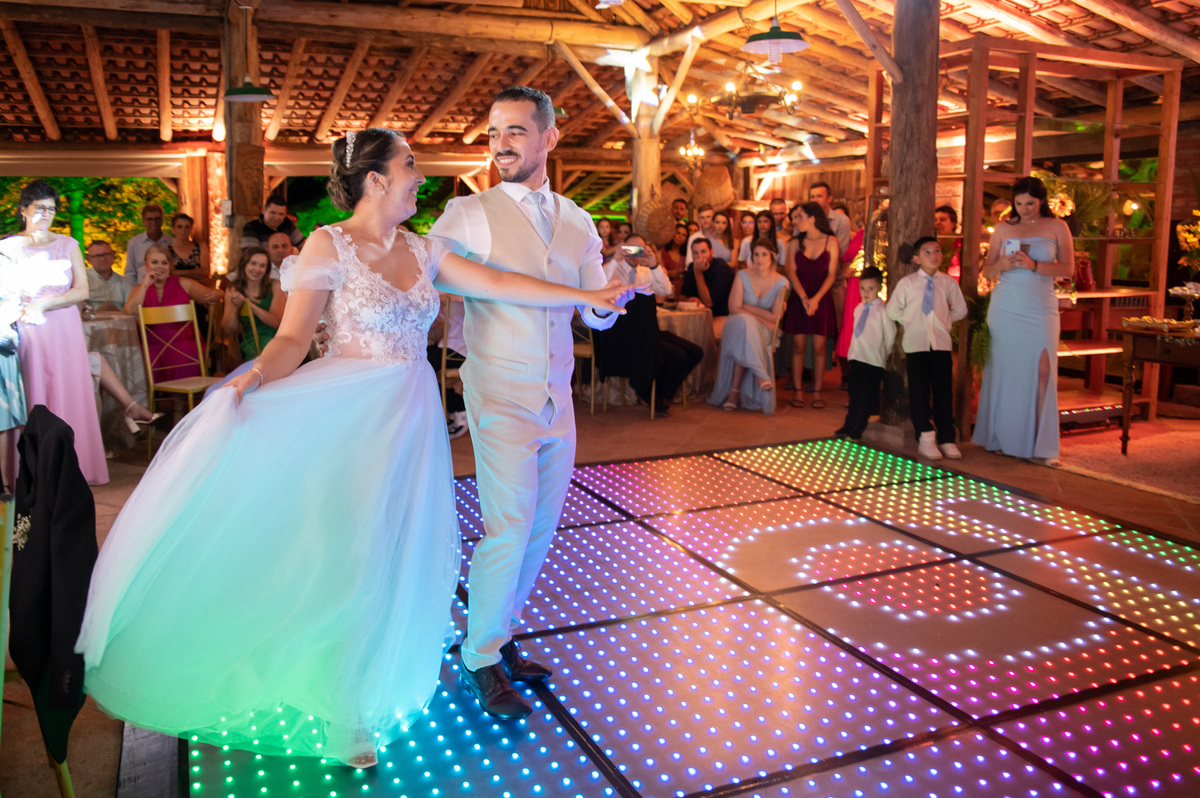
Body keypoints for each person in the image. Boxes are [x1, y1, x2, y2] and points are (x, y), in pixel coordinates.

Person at [76, 126, 632, 768]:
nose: (421, 176)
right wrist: (245, 384)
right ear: (376, 179)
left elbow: (503, 285)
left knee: (395, 552)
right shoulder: (327, 243)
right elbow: (289, 342)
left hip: (411, 421)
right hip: (347, 416)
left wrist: (587, 295)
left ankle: (364, 691)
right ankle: (343, 713)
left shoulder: (426, 251)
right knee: (350, 554)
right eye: (410, 165)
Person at [427, 87, 640, 721]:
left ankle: (500, 632)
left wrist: (607, 303)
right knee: (509, 526)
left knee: (542, 529)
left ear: (549, 138)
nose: (501, 144)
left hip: (558, 395)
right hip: (497, 387)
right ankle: (480, 656)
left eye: (516, 131)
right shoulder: (468, 213)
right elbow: (434, 278)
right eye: (494, 132)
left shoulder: (577, 218)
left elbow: (591, 311)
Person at [0, 181, 108, 485]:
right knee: (33, 393)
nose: (46, 214)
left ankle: (75, 467)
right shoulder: (7, 248)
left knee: (68, 390)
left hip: (63, 326)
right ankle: (31, 471)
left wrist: (47, 303)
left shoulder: (68, 244)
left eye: (51, 208)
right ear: (23, 210)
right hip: (27, 327)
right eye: (39, 208)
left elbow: (82, 289)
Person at [973, 176, 1073, 464]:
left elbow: (1068, 269)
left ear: (1041, 201)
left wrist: (1035, 265)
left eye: (1030, 203)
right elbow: (987, 271)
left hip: (1040, 305)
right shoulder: (1004, 228)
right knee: (1006, 370)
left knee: (1043, 369)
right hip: (1006, 306)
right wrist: (1002, 264)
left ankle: (1041, 446)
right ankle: (1003, 438)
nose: (1025, 208)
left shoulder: (1058, 227)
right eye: (1019, 203)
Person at [599, 234, 701, 416]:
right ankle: (650, 392)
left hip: (646, 333)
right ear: (623, 248)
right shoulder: (611, 268)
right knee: (678, 356)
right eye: (630, 248)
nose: (635, 254)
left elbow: (666, 291)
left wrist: (653, 263)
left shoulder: (646, 271)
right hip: (618, 334)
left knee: (694, 352)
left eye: (640, 249)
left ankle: (656, 394)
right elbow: (600, 288)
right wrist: (615, 259)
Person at [887, 236, 968, 460]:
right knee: (919, 392)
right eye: (927, 252)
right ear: (916, 258)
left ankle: (947, 438)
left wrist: (944, 322)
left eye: (937, 251)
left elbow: (960, 309)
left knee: (943, 391)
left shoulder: (948, 283)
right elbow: (893, 310)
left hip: (940, 345)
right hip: (916, 345)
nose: (934, 256)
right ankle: (925, 434)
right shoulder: (908, 283)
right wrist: (912, 321)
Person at [708, 240, 789, 413]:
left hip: (763, 331)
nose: (759, 259)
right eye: (756, 254)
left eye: (764, 254)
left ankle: (734, 393)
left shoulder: (781, 282)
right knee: (744, 324)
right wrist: (759, 314)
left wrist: (746, 308)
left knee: (745, 326)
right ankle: (760, 374)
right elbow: (733, 308)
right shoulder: (742, 275)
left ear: (773, 257)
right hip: (736, 325)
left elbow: (775, 317)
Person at [123, 244, 222, 381]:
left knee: (182, 355)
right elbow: (130, 311)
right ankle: (151, 401)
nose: (160, 266)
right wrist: (146, 284)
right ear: (146, 266)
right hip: (151, 348)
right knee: (138, 358)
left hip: (183, 347)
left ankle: (180, 402)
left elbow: (211, 295)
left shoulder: (184, 284)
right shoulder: (139, 289)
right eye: (154, 262)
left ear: (170, 266)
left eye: (164, 262)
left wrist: (218, 293)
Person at [783, 202, 839, 409]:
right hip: (800, 297)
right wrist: (805, 298)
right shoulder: (794, 243)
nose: (795, 221)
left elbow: (832, 274)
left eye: (798, 217)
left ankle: (817, 390)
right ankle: (798, 389)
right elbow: (790, 272)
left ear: (812, 217)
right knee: (797, 346)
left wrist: (815, 300)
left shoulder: (831, 241)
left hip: (822, 297)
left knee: (819, 347)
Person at [835, 266, 893, 440]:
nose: (866, 292)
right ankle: (848, 424)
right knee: (855, 394)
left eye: (871, 288)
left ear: (879, 288)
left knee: (867, 396)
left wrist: (883, 355)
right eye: (863, 288)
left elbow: (889, 336)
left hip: (874, 361)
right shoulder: (858, 308)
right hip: (857, 358)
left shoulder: (883, 311)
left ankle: (858, 428)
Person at [221, 247, 285, 364]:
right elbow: (228, 330)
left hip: (278, 336)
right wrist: (235, 308)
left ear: (267, 269)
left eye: (262, 265)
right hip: (252, 341)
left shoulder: (276, 285)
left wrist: (249, 305)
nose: (257, 269)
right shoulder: (233, 290)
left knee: (281, 350)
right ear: (244, 265)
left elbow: (276, 322)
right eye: (253, 264)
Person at [680, 237, 735, 318]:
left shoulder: (721, 268)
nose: (700, 256)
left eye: (703, 251)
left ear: (711, 252)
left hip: (723, 316)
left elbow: (708, 303)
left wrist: (698, 272)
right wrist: (689, 301)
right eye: (696, 253)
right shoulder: (692, 266)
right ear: (692, 255)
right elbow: (682, 297)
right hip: (698, 316)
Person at [123, 203, 173, 289]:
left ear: (162, 220)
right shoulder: (134, 243)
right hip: (143, 290)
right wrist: (133, 294)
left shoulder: (171, 242)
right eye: (149, 219)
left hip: (168, 289)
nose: (153, 223)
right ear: (143, 221)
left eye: (157, 219)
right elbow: (130, 273)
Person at [84, 239, 131, 311]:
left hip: (119, 318)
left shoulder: (124, 282)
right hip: (92, 318)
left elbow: (131, 306)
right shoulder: (82, 280)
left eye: (106, 254)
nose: (102, 259)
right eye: (97, 256)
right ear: (89, 259)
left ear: (112, 255)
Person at [167, 213, 209, 280]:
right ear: (173, 230)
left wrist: (179, 273)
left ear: (190, 229)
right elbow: (170, 273)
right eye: (179, 227)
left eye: (187, 227)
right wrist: (196, 272)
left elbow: (205, 272)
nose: (183, 230)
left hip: (199, 288)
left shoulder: (201, 247)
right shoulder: (167, 250)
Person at [934, 204, 962, 280]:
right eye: (935, 220)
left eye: (942, 219)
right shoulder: (930, 244)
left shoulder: (961, 244)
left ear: (953, 224)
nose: (938, 222)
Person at [660, 223, 689, 294]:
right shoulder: (663, 252)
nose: (680, 236)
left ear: (686, 239)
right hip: (665, 289)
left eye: (683, 235)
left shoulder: (687, 255)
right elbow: (660, 273)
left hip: (683, 290)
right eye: (678, 233)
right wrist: (679, 272)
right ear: (673, 235)